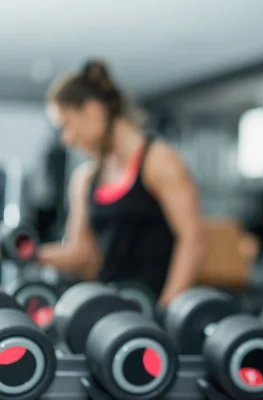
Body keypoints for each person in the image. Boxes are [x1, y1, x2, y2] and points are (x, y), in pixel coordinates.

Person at [38, 60, 207, 307]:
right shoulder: (85, 178)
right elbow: (81, 253)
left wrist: (166, 310)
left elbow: (193, 239)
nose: (66, 139)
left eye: (66, 125)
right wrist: (27, 253)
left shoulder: (159, 161)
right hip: (107, 307)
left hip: (153, 307)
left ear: (93, 110)